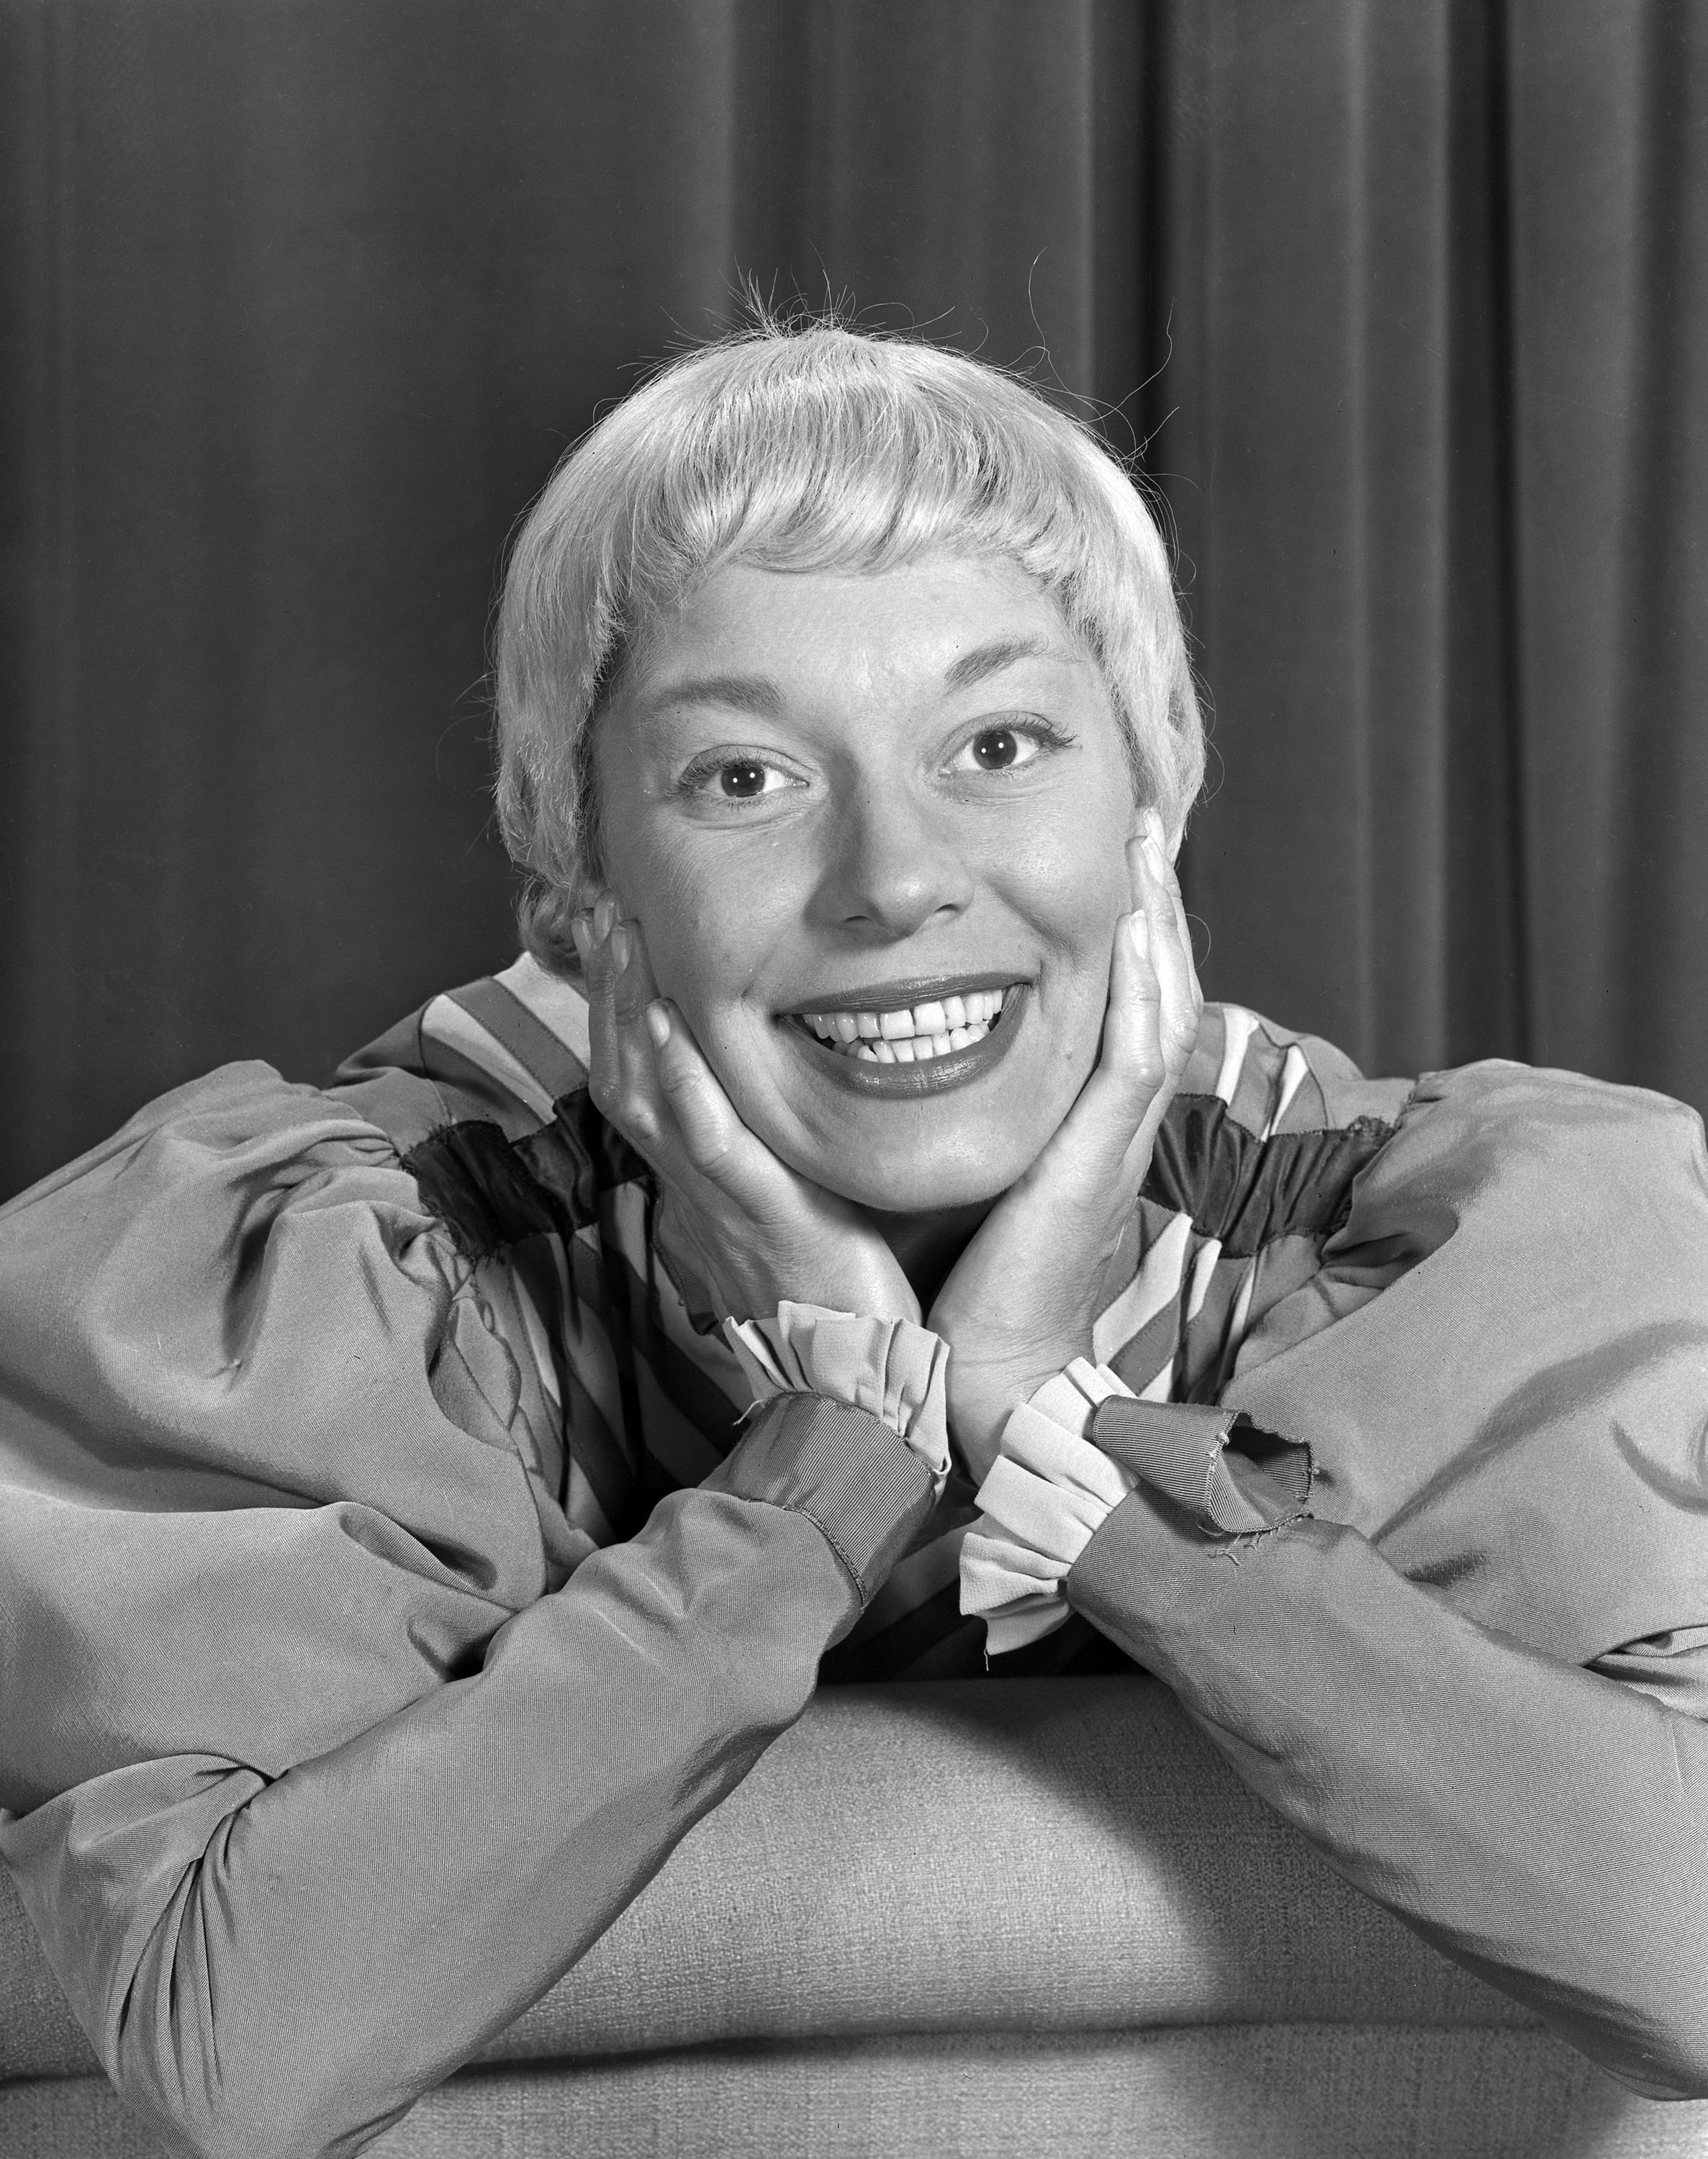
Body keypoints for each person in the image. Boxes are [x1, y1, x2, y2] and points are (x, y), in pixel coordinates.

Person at [0, 321, 1704, 2159]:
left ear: (1157, 785)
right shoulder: (323, 1267)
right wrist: (828, 1471)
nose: (892, 879)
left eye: (997, 742)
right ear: (570, 869)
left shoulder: (1463, 1232)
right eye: (742, 779)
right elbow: (240, 2035)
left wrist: (1062, 1435)